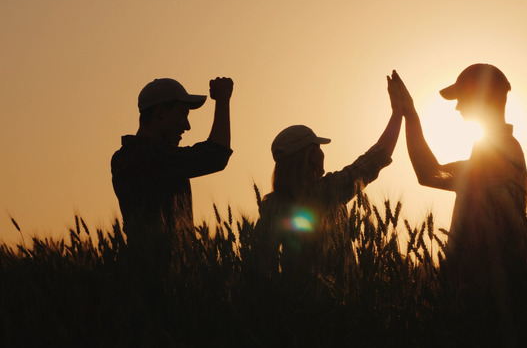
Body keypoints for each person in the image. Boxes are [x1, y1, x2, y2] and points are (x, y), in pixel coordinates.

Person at [387, 65, 527, 291]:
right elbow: (430, 173)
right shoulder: (492, 150)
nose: (457, 107)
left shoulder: (499, 152)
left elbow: (429, 174)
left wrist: (410, 114)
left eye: (462, 97)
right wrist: (409, 114)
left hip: (482, 293)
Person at [256, 77, 403, 280]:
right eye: (317, 148)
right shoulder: (326, 193)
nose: (322, 153)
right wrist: (398, 113)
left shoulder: (270, 205)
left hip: (290, 302)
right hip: (335, 302)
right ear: (310, 157)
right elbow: (373, 160)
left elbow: (259, 263)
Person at [111, 77, 233, 244]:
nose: (187, 125)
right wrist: (222, 99)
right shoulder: (150, 155)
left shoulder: (124, 157)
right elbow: (216, 155)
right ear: (161, 112)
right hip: (160, 268)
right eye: (183, 114)